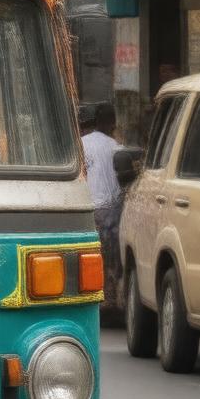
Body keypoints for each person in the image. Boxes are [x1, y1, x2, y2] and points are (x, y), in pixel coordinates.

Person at [82, 104, 122, 308]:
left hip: (89, 209)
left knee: (91, 254)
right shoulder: (116, 146)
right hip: (112, 211)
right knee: (109, 255)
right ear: (113, 124)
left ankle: (91, 293)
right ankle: (109, 296)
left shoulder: (83, 144)